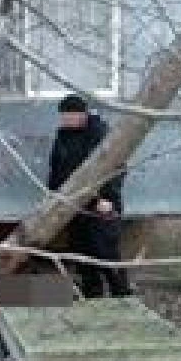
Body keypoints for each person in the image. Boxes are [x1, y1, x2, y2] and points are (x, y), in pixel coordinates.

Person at [48, 94, 131, 298]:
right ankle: (93, 295)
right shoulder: (62, 136)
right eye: (63, 116)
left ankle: (122, 294)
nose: (66, 119)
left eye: (70, 115)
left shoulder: (100, 134)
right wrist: (54, 194)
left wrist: (108, 198)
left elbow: (117, 167)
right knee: (81, 250)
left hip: (100, 204)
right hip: (73, 205)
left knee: (105, 251)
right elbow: (56, 168)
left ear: (82, 114)